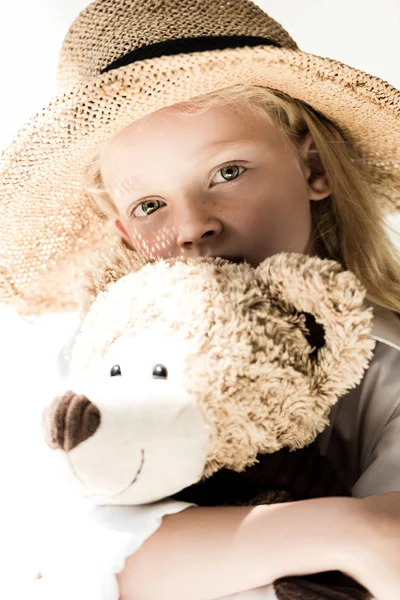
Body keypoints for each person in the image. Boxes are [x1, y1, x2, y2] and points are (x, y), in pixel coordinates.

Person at [0, 1, 399, 599]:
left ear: (312, 163)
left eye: (228, 172)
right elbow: (65, 564)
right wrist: (342, 527)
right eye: (150, 205)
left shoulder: (387, 360)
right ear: (126, 233)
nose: (192, 228)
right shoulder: (94, 365)